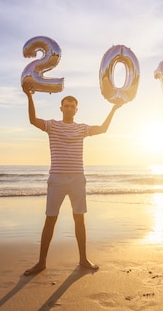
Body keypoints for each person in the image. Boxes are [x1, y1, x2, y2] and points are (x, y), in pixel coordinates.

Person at [22, 81, 122, 276]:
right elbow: (33, 120)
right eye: (66, 106)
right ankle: (41, 262)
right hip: (56, 179)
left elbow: (102, 129)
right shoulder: (52, 126)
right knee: (50, 220)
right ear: (61, 108)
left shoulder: (82, 129)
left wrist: (114, 108)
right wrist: (30, 96)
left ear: (76, 110)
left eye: (72, 106)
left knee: (79, 220)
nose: (69, 108)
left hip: (77, 179)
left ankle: (83, 259)